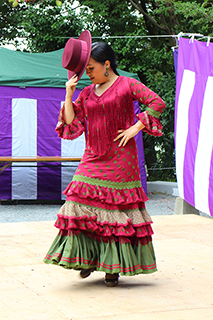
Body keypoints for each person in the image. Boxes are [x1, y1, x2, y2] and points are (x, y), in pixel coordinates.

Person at [43, 31, 165, 287]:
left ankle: (112, 268)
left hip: (121, 159)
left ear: (106, 64)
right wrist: (69, 93)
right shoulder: (86, 92)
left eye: (91, 68)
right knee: (77, 201)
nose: (88, 73)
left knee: (114, 212)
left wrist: (136, 126)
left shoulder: (127, 84)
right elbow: (69, 123)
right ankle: (86, 259)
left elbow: (156, 102)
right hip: (92, 157)